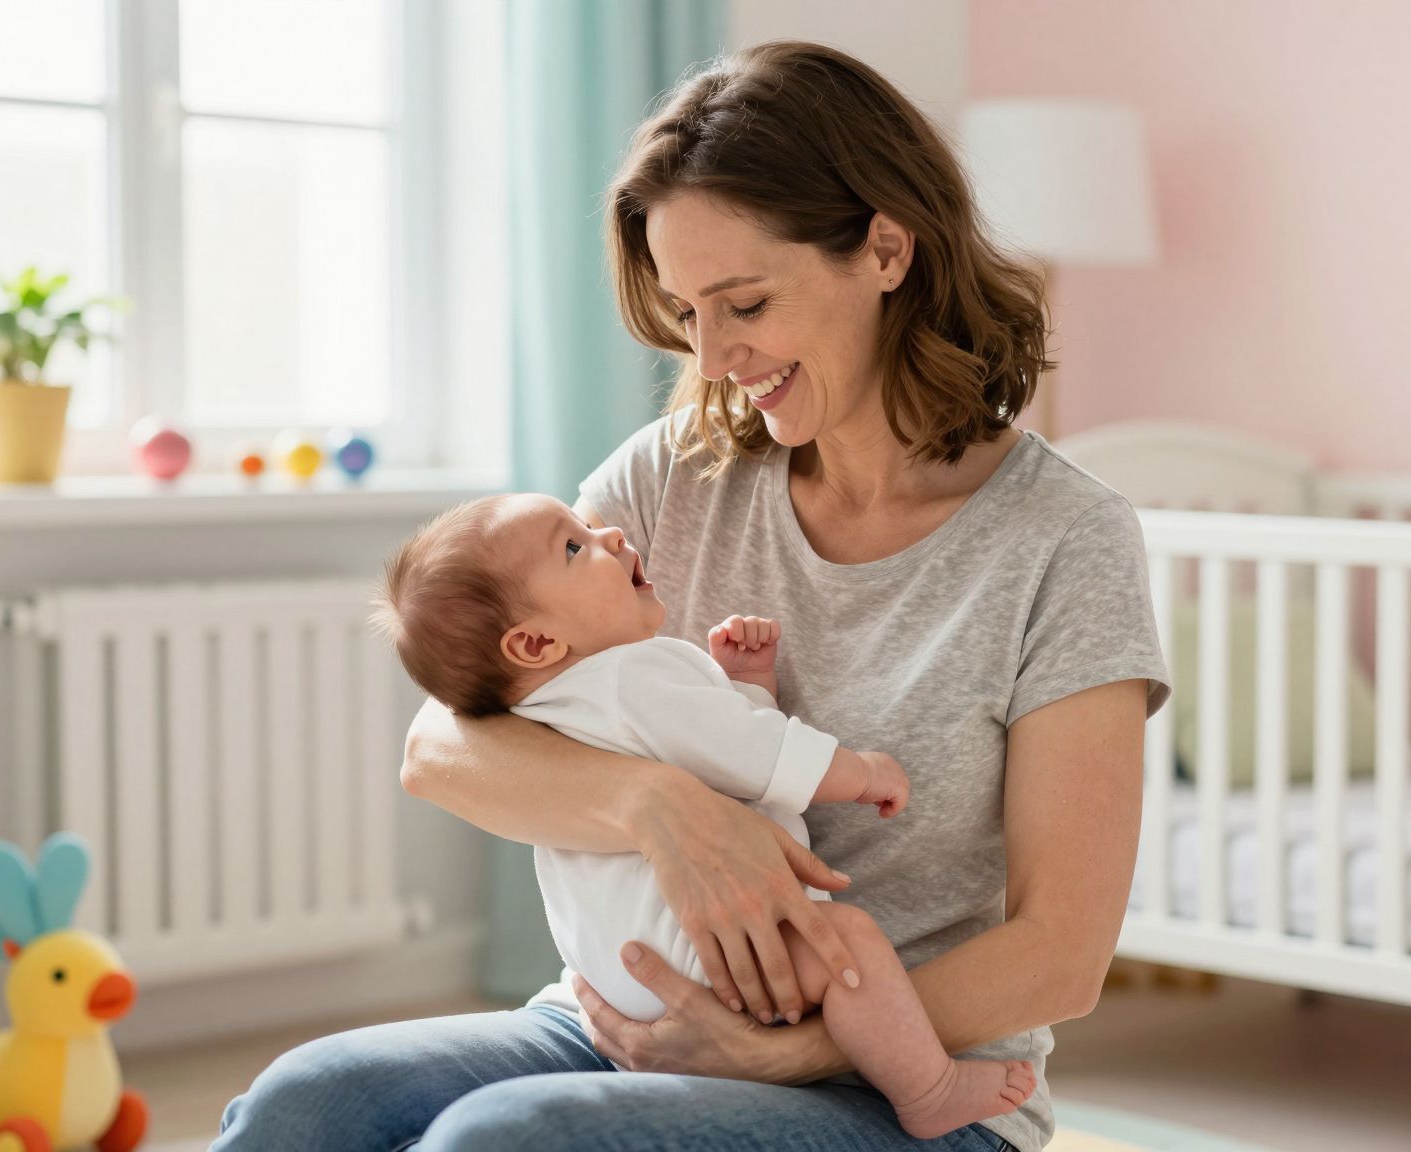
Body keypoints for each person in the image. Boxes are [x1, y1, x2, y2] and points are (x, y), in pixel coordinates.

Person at [213, 39, 1167, 1152]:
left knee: (510, 1140)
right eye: (685, 313)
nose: (710, 358)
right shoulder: (670, 476)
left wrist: (802, 1048)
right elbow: (443, 746)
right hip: (615, 1026)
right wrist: (662, 809)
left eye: (744, 303)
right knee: (306, 1101)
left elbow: (1063, 952)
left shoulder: (1064, 539)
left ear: (886, 251)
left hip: (902, 1087)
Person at [371, 491, 1036, 1138]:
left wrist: (745, 687)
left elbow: (723, 752)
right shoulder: (631, 678)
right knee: (852, 944)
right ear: (537, 644)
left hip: (619, 984)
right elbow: (755, 755)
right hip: (713, 963)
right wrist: (860, 772)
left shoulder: (538, 715)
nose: (607, 534)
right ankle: (928, 1088)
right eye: (575, 545)